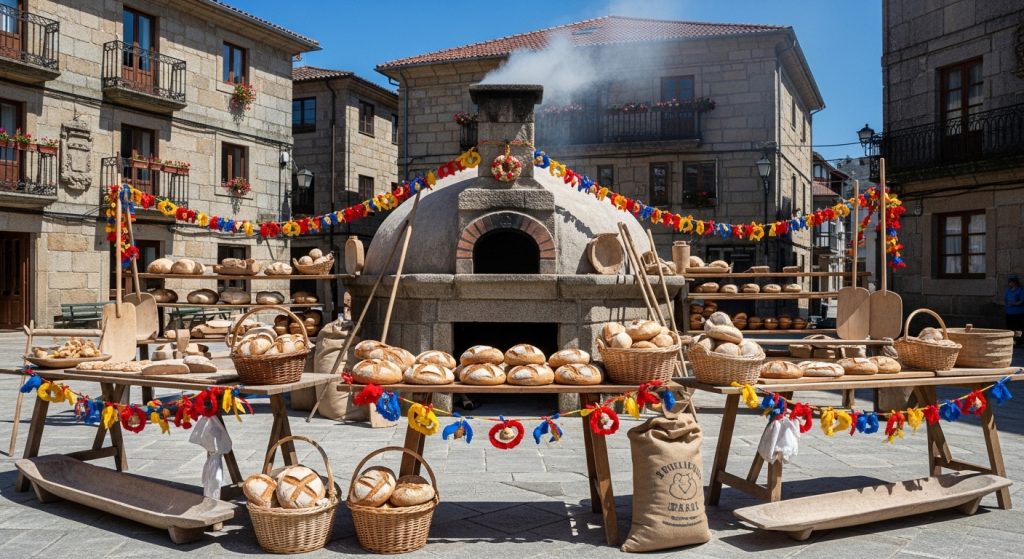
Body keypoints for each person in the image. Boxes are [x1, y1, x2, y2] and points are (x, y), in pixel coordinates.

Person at [1006, 275, 1024, 345]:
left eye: (1010, 282)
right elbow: (1006, 300)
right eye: (1009, 282)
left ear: (1015, 282)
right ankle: (1011, 341)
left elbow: (1022, 301)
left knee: (1019, 328)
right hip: (1009, 313)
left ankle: (1020, 342)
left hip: (1019, 313)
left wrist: (1014, 304)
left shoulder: (1020, 290)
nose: (1009, 283)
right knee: (1010, 328)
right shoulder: (1008, 290)